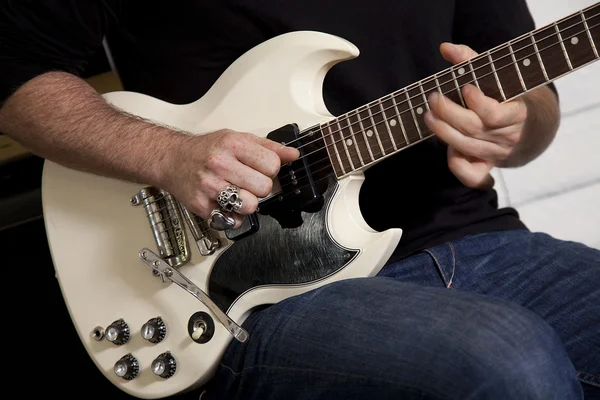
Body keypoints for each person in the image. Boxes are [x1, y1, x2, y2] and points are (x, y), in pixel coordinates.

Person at [1, 1, 598, 399]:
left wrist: (514, 125)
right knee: (505, 360)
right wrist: (170, 155)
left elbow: (528, 87)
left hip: (480, 240)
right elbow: (15, 76)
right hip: (257, 290)